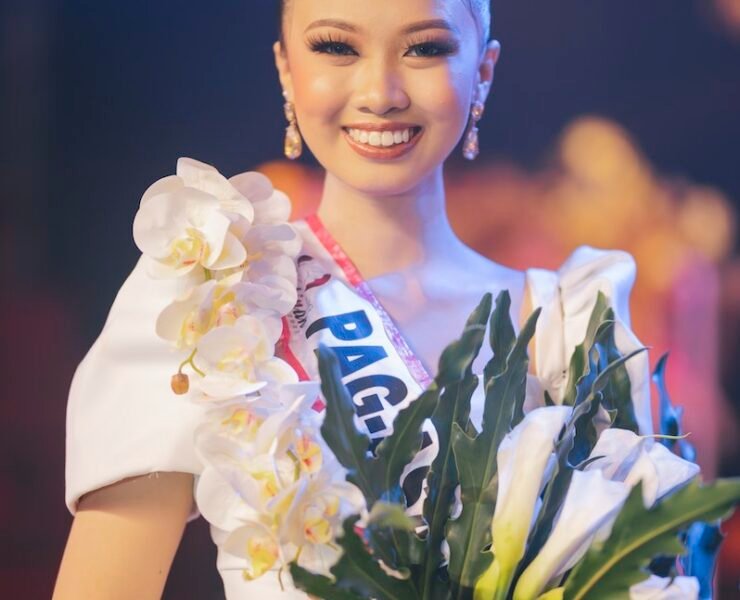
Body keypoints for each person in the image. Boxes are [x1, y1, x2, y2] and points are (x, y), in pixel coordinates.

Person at [53, 1, 652, 598]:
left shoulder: (571, 326)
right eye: (337, 47)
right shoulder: (214, 297)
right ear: (286, 69)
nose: (381, 92)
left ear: (484, 71)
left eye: (426, 48)